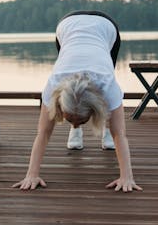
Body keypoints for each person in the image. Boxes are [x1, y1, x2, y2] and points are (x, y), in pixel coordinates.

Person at [13, 10, 142, 193]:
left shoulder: (107, 84)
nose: (73, 120)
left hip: (106, 26)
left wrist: (126, 177)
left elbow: (120, 134)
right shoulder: (54, 85)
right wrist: (31, 174)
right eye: (68, 120)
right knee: (70, 100)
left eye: (80, 121)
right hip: (67, 26)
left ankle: (105, 128)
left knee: (113, 128)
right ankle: (76, 132)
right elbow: (43, 133)